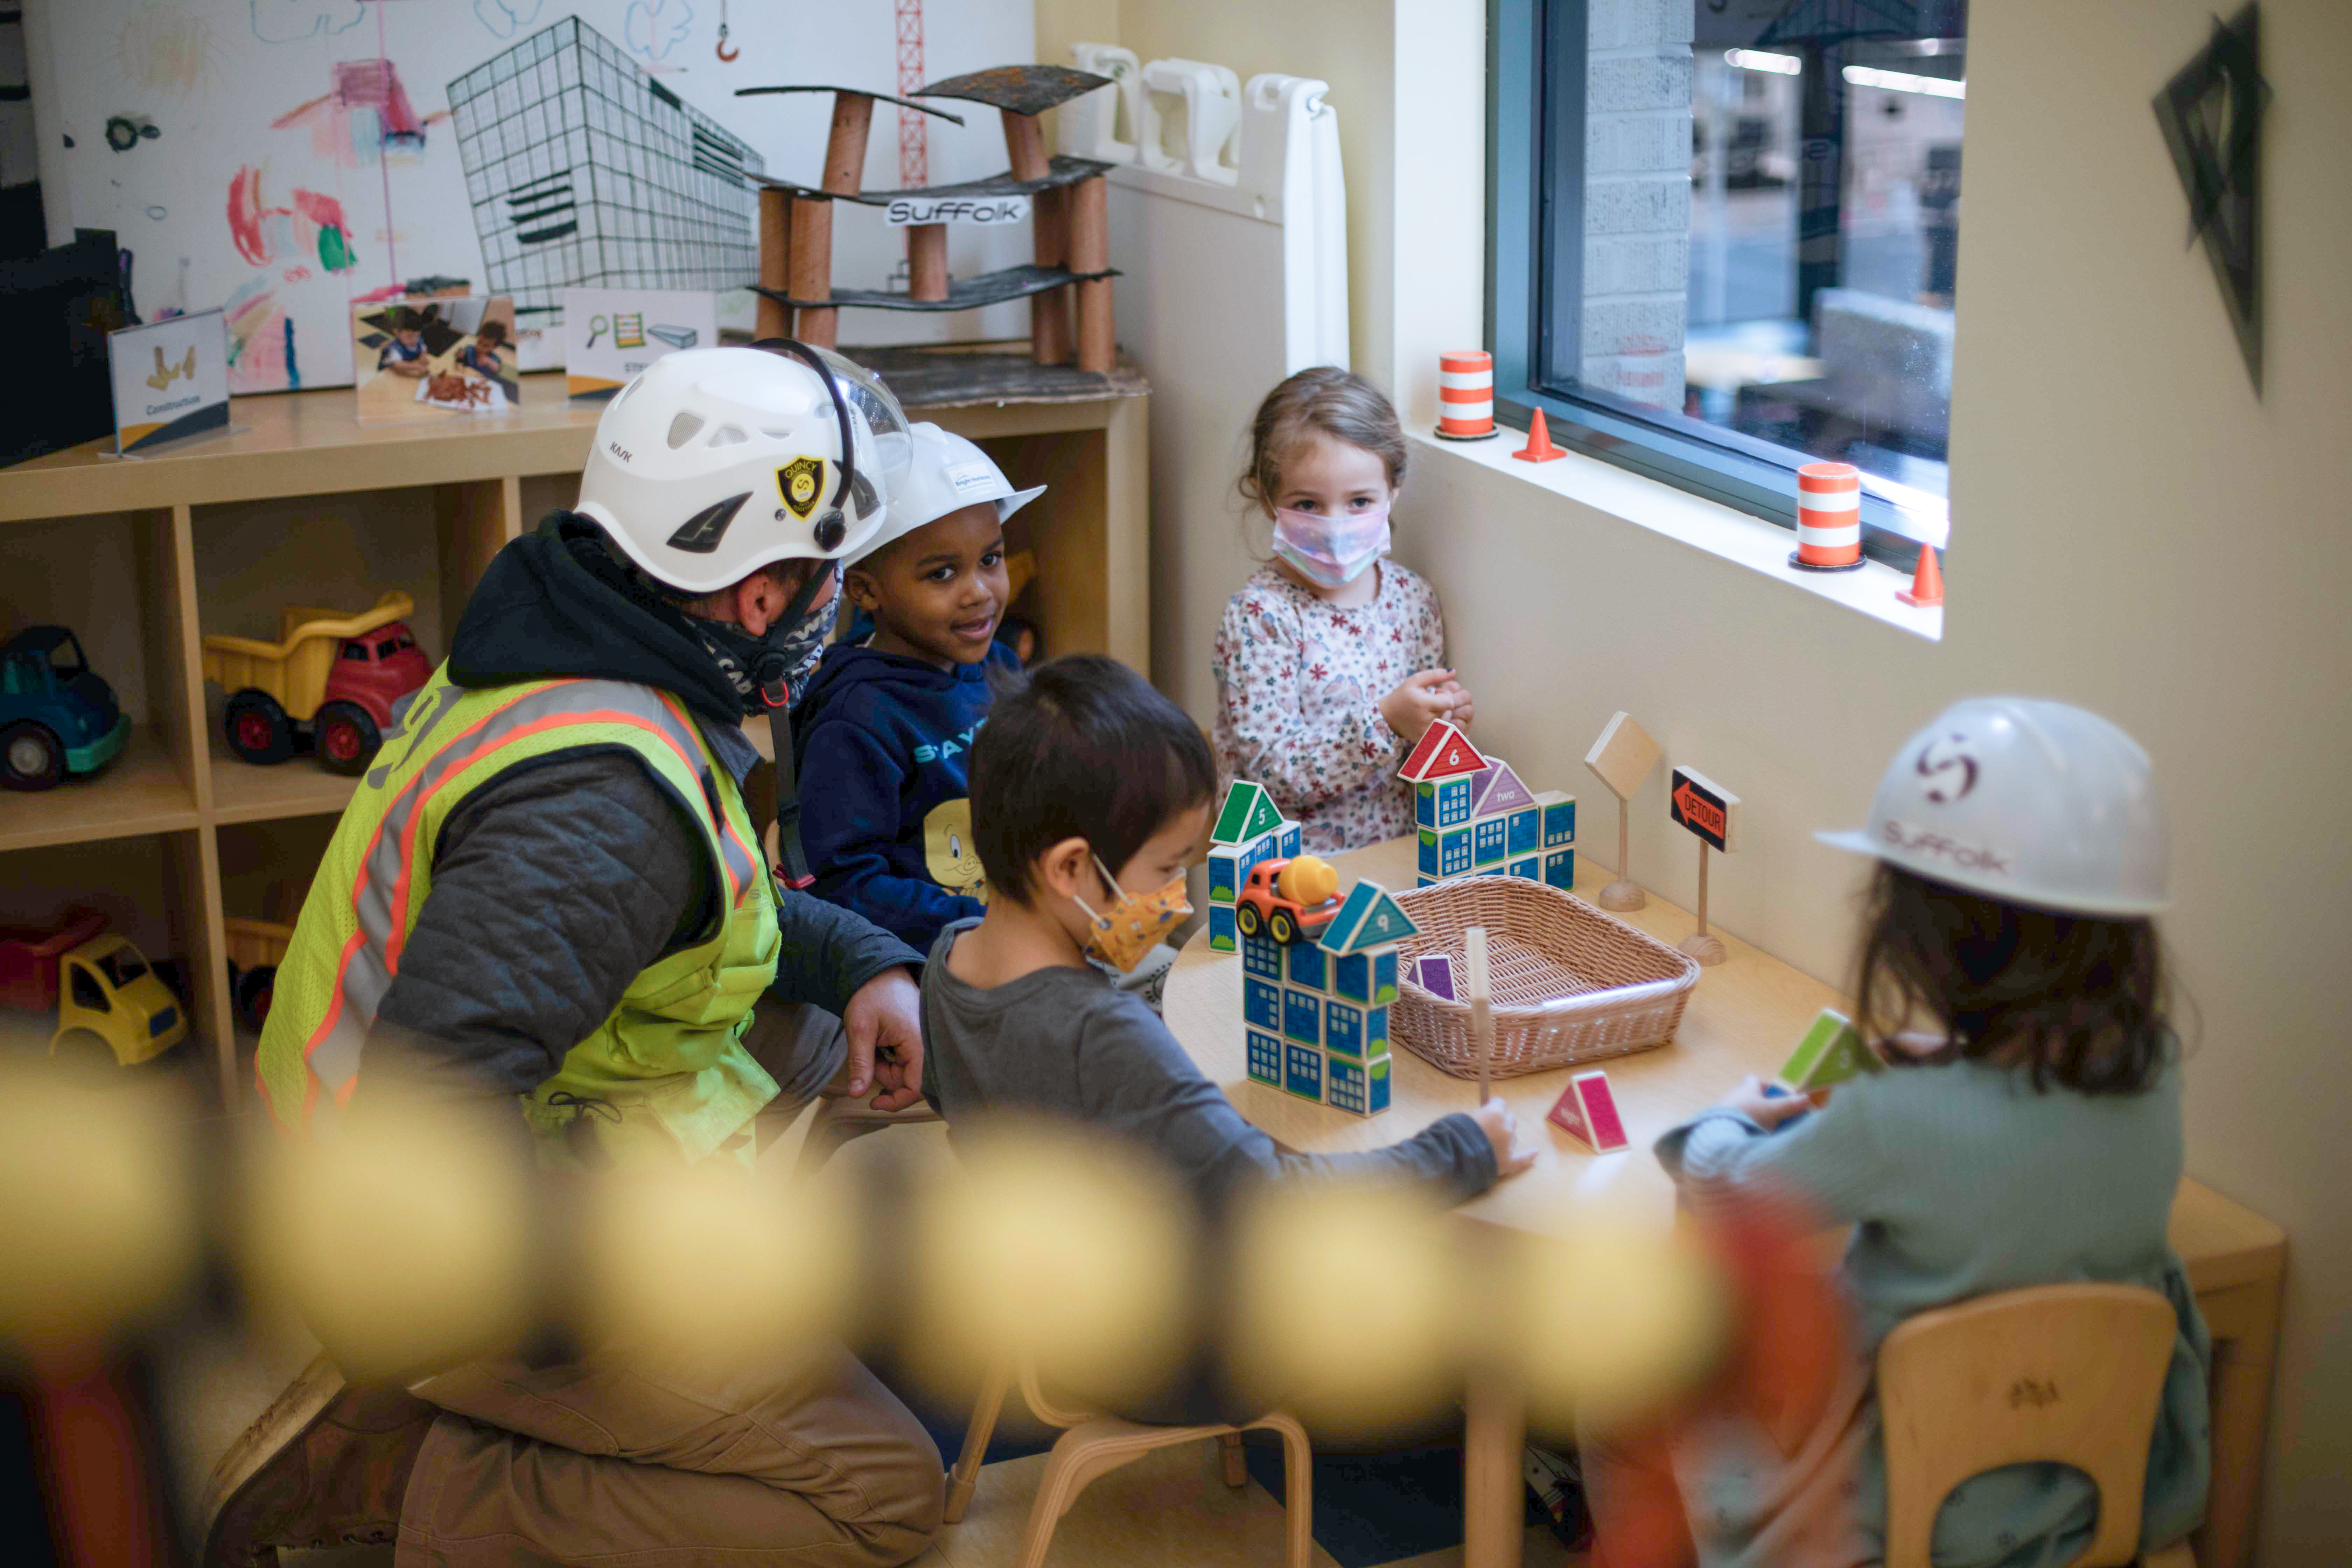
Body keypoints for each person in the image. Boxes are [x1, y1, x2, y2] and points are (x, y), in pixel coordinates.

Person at [205, 345, 947, 1568]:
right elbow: (434, 1118)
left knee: (815, 1039)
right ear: (760, 599)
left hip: (382, 1145)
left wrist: (869, 961)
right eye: (833, 583)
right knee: (883, 1494)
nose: (840, 609)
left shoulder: (584, 641)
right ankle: (416, 1475)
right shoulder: (602, 809)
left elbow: (714, 913)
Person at [1594, 698, 2210, 1567]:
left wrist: (1732, 1111)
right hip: (2076, 1511)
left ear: (1929, 941)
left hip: (1885, 1523)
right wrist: (1965, 1058)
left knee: (1615, 1392)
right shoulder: (2155, 1075)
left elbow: (1723, 1190)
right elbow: (2028, 1146)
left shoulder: (1895, 1123)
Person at [921, 653, 1534, 1419]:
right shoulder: (1100, 1031)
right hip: (1172, 1358)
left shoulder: (947, 963)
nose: (1177, 897)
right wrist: (1463, 1149)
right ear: (1072, 867)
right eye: (1168, 867)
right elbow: (1275, 1208)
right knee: (1453, 1258)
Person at [794, 424, 1039, 954]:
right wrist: (979, 921)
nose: (980, 593)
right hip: (937, 963)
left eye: (990, 560)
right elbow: (845, 885)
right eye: (943, 574)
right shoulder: (855, 719)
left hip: (1022, 929)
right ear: (865, 589)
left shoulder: (1001, 668)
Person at [1212, 367, 1474, 855]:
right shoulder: (1261, 617)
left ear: (1393, 490)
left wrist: (1440, 724)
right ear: (1268, 499)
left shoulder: (1413, 601)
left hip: (1395, 857)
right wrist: (1389, 720)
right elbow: (1275, 768)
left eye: (1359, 502)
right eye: (1308, 504)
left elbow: (1415, 754)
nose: (1334, 526)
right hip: (1290, 877)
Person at [377, 309, 430, 379]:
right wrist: (415, 366)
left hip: (408, 365)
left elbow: (424, 349)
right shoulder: (396, 349)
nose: (415, 340)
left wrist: (423, 357)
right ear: (397, 333)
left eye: (418, 336)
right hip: (390, 373)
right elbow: (397, 365)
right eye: (410, 336)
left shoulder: (418, 341)